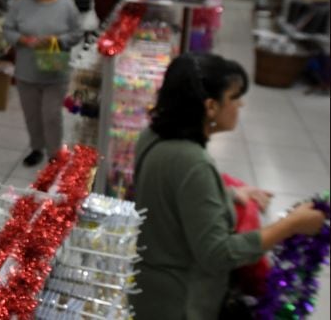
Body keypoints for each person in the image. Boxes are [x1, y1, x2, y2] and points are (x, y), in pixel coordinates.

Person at [130, 53, 325, 320]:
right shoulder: (192, 162)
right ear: (210, 106)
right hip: (181, 303)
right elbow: (218, 254)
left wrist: (227, 193)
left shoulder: (153, 135)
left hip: (149, 290)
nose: (241, 104)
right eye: (234, 97)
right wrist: (290, 225)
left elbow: (173, 193)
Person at [3, 0, 82, 167]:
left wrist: (58, 40)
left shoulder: (66, 5)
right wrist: (23, 40)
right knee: (32, 116)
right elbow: (7, 30)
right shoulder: (20, 4)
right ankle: (36, 148)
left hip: (55, 72)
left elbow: (77, 33)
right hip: (26, 72)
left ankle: (55, 152)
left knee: (51, 115)